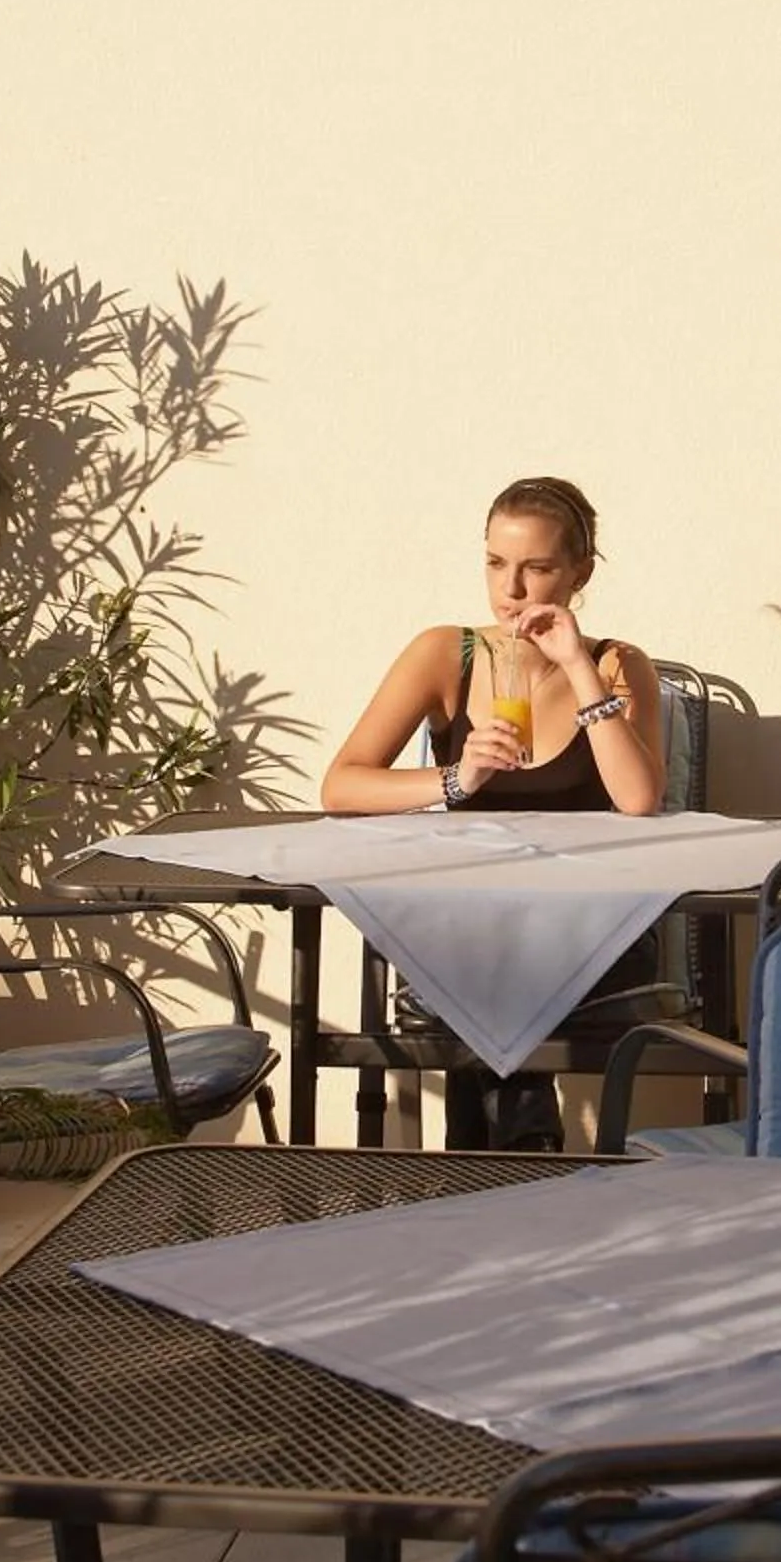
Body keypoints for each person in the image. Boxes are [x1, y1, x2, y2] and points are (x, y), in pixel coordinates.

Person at [321, 476, 668, 1148]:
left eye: (536, 568)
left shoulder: (619, 664)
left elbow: (638, 798)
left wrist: (577, 665)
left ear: (578, 573)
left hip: (594, 929)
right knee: (480, 954)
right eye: (495, 564)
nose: (510, 590)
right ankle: (525, 1159)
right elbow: (342, 785)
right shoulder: (446, 654)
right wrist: (457, 777)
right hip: (472, 923)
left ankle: (485, 1176)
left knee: (486, 973)